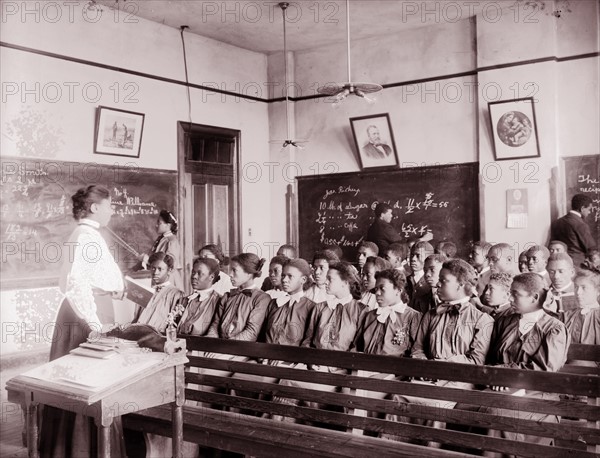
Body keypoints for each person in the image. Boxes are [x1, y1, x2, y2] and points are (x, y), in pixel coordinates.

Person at [40, 185, 126, 457]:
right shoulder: (86, 236)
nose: (113, 211)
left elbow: (97, 277)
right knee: (85, 384)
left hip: (90, 311)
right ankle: (81, 450)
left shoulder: (88, 234)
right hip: (85, 318)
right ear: (94, 207)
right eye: (109, 205)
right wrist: (95, 326)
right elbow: (76, 284)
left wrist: (115, 287)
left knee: (92, 383)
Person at [272, 261, 365, 421]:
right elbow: (308, 341)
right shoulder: (320, 308)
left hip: (339, 373)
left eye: (330, 279)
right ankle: (280, 431)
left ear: (345, 283)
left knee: (292, 383)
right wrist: (311, 361)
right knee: (286, 380)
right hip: (314, 366)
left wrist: (331, 366)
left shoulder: (361, 310)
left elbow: (357, 349)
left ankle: (284, 429)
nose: (325, 282)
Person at [485, 273, 569, 448]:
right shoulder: (505, 322)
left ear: (534, 297)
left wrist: (506, 375)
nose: (510, 297)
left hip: (537, 397)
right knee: (467, 404)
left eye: (515, 294)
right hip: (500, 389)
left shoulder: (554, 329)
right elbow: (491, 359)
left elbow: (544, 371)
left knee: (497, 413)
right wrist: (498, 377)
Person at [133, 252, 184, 332]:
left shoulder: (176, 294)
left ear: (169, 270)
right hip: (139, 334)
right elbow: (136, 318)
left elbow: (174, 324)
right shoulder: (146, 291)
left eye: (160, 269)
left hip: (159, 337)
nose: (155, 272)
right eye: (153, 268)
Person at [177, 257, 222, 336]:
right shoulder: (184, 300)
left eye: (199, 273)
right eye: (193, 272)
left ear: (211, 277)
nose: (194, 276)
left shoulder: (219, 301)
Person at [139, 209, 183, 290]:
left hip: (168, 280)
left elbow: (170, 264)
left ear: (168, 225)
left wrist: (148, 260)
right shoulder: (161, 239)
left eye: (159, 223)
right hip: (159, 277)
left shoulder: (171, 241)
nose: (156, 225)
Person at [550, 193, 597, 267]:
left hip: (560, 262)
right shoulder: (581, 224)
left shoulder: (557, 222)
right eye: (589, 209)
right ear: (582, 208)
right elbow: (590, 248)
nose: (589, 212)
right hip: (578, 263)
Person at [560, 269, 600, 346]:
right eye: (576, 287)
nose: (578, 292)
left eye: (584, 287)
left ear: (598, 291)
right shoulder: (566, 316)